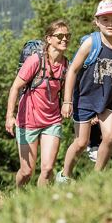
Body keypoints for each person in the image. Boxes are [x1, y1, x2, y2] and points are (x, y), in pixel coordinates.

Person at [56, 0, 112, 180]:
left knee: (111, 136)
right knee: (81, 143)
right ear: (97, 22)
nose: (110, 24)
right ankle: (65, 175)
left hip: (107, 99)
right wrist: (67, 101)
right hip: (84, 98)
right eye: (105, 20)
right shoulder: (91, 43)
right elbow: (72, 71)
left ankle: (97, 177)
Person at [5, 19, 70, 187]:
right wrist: (9, 116)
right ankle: (18, 195)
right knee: (26, 172)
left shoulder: (66, 65)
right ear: (49, 39)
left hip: (52, 121)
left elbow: (70, 92)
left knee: (48, 169)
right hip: (28, 121)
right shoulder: (35, 61)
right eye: (60, 36)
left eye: (67, 36)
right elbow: (15, 88)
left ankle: (42, 204)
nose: (65, 39)